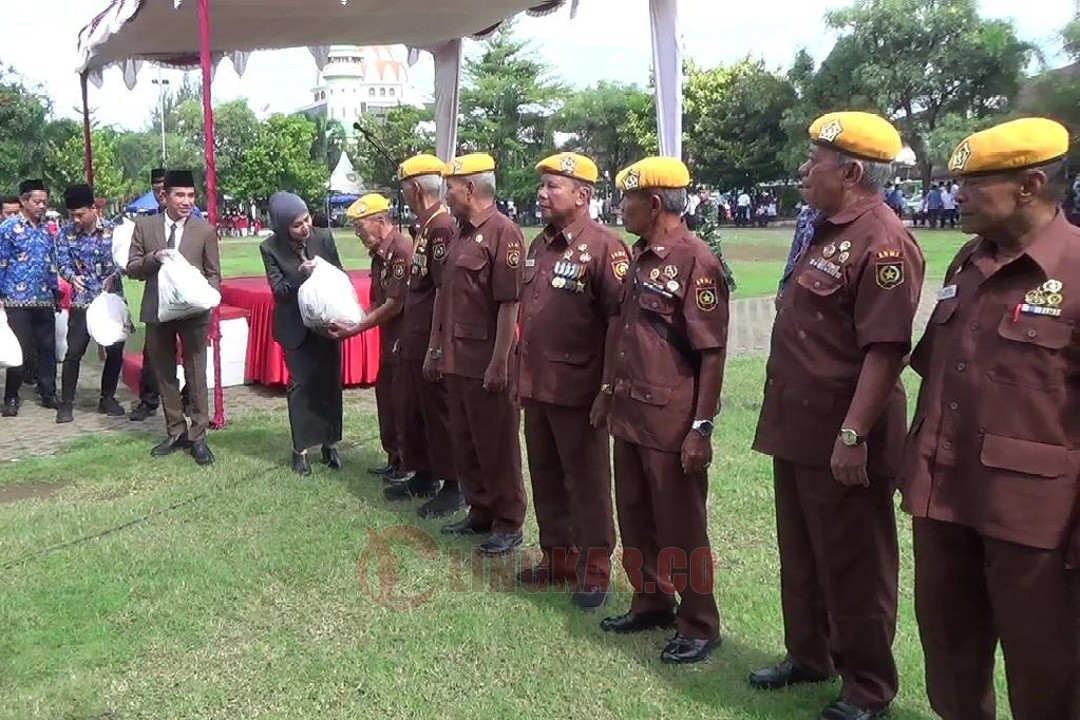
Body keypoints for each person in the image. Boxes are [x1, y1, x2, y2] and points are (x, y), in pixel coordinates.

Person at [900, 117, 1078, 720]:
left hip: (1035, 520)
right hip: (945, 496)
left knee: (1046, 667)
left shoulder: (1077, 272)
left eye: (974, 183)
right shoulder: (968, 262)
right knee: (950, 653)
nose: (957, 195)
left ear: (1029, 185)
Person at [750, 111, 925, 720]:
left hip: (843, 433)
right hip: (797, 426)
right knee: (801, 552)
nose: (803, 169)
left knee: (854, 561)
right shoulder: (824, 230)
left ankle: (868, 686)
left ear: (851, 172)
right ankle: (809, 655)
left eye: (815, 161)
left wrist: (854, 434)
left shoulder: (884, 240)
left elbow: (885, 349)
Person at [590, 156, 728, 664]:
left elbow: (711, 353)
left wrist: (701, 427)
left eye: (626, 199)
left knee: (681, 523)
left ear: (653, 204)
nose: (619, 208)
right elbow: (626, 331)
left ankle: (699, 621)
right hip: (631, 410)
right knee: (636, 513)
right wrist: (607, 390)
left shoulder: (696, 260)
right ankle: (650, 599)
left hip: (671, 418)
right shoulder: (641, 255)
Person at [516, 152, 626, 610]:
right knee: (544, 474)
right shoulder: (539, 246)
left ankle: (595, 569)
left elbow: (619, 325)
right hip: (538, 384)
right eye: (541, 187)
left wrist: (607, 390)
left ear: (582, 196)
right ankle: (557, 558)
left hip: (579, 391)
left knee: (587, 482)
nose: (542, 194)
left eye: (552, 187)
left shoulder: (605, 248)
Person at [425, 153, 527, 557]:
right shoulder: (461, 234)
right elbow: (444, 297)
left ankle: (508, 520)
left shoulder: (504, 232)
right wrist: (436, 348)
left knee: (496, 442)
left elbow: (509, 303)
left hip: (486, 359)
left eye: (450, 184)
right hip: (455, 358)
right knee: (466, 440)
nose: (446, 192)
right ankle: (480, 508)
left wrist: (501, 360)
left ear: (470, 187)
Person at [126, 170, 221, 466]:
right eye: (180, 195)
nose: (187, 201)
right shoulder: (145, 225)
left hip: (194, 313)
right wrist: (154, 258)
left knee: (196, 372)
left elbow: (214, 273)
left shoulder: (203, 229)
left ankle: (198, 436)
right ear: (164, 196)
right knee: (164, 373)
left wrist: (207, 298)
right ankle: (175, 430)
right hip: (158, 311)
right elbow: (132, 266)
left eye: (191, 195)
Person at [389, 153, 465, 518]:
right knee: (417, 410)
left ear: (415, 189)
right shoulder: (426, 226)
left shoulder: (441, 228)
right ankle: (424, 472)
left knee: (439, 412)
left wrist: (436, 343)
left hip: (431, 338)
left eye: (403, 190)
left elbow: (441, 290)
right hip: (417, 334)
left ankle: (453, 483)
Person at [259, 191, 345, 476]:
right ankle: (301, 450)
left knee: (329, 384)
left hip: (326, 323)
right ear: (283, 227)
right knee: (300, 387)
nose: (304, 227)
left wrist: (323, 274)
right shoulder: (270, 248)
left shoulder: (324, 238)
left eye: (306, 220)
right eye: (296, 224)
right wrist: (301, 275)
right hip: (295, 327)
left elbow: (339, 275)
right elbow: (279, 291)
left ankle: (330, 444)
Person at [330, 194, 412, 487]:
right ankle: (394, 459)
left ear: (380, 221)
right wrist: (353, 319)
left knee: (403, 403)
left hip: (405, 340)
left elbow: (394, 303)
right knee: (387, 399)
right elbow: (377, 301)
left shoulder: (401, 249)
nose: (357, 233)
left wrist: (355, 328)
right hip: (389, 341)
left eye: (360, 226)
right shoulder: (379, 255)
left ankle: (408, 464)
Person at [54, 183, 126, 423]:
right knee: (74, 352)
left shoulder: (113, 231)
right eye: (72, 214)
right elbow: (62, 264)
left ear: (94, 208)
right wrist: (72, 277)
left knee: (115, 349)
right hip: (81, 302)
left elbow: (124, 260)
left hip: (111, 301)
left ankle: (107, 397)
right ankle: (66, 404)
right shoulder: (65, 234)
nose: (76, 219)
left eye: (81, 213)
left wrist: (113, 276)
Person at [0, 179, 60, 416]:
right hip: (17, 299)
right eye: (37, 201)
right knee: (20, 350)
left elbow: (52, 263)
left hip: (44, 298)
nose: (42, 206)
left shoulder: (49, 229)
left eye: (45, 201)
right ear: (24, 201)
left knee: (47, 348)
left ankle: (48, 392)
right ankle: (11, 396)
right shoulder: (8, 229)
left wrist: (56, 292)